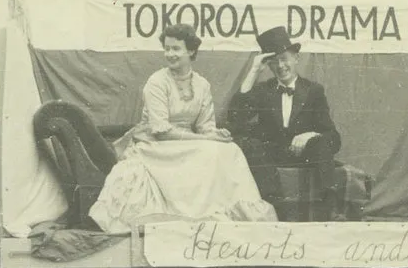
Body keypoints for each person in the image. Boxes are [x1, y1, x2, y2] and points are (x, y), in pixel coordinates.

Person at [88, 23, 278, 233]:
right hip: (155, 145)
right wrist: (206, 140)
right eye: (167, 49)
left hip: (185, 145)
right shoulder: (157, 82)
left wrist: (216, 134)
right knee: (209, 149)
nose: (170, 54)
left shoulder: (202, 85)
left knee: (230, 149)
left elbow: (205, 127)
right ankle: (189, 215)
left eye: (176, 48)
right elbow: (161, 130)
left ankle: (228, 213)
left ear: (191, 50)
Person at [227, 26, 342, 203]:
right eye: (274, 62)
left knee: (322, 143)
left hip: (305, 154)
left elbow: (333, 138)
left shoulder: (313, 91)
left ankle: (328, 207)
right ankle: (276, 204)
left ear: (296, 58)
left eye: (284, 59)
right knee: (248, 143)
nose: (280, 66)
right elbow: (235, 119)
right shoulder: (263, 90)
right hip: (271, 156)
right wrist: (254, 71)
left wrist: (311, 135)